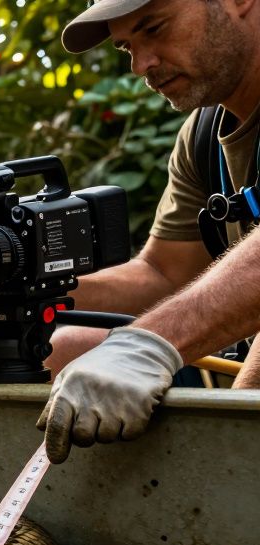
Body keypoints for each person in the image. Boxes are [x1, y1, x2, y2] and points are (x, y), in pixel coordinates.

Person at [40, 0, 260, 462]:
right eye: (127, 47)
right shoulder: (203, 135)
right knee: (62, 349)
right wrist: (37, 288)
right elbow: (163, 273)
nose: (143, 66)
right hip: (234, 360)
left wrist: (146, 345)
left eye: (154, 29)